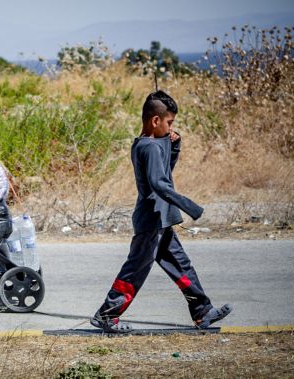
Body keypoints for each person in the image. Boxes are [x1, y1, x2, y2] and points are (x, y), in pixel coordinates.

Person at [90, 90, 232, 333]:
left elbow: (164, 173)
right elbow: (159, 183)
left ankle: (202, 312)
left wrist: (173, 147)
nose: (170, 128)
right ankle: (106, 315)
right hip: (152, 221)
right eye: (169, 123)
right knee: (135, 271)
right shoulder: (150, 148)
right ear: (155, 121)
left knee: (182, 267)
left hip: (160, 219)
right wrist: (189, 206)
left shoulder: (144, 144)